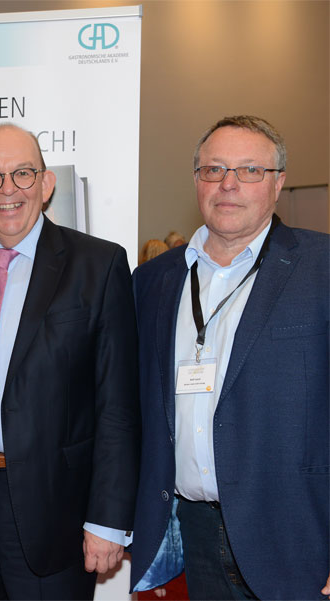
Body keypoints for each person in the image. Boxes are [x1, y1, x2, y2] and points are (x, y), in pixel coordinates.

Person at [0, 123, 140, 600]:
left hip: (56, 510)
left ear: (46, 184)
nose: (8, 190)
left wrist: (108, 519)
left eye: (22, 173)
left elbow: (119, 406)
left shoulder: (97, 266)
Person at [130, 115, 330, 600]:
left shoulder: (321, 267)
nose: (229, 183)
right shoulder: (153, 282)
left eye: (250, 170)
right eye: (214, 169)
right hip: (197, 530)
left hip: (300, 535)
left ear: (278, 183)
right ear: (197, 180)